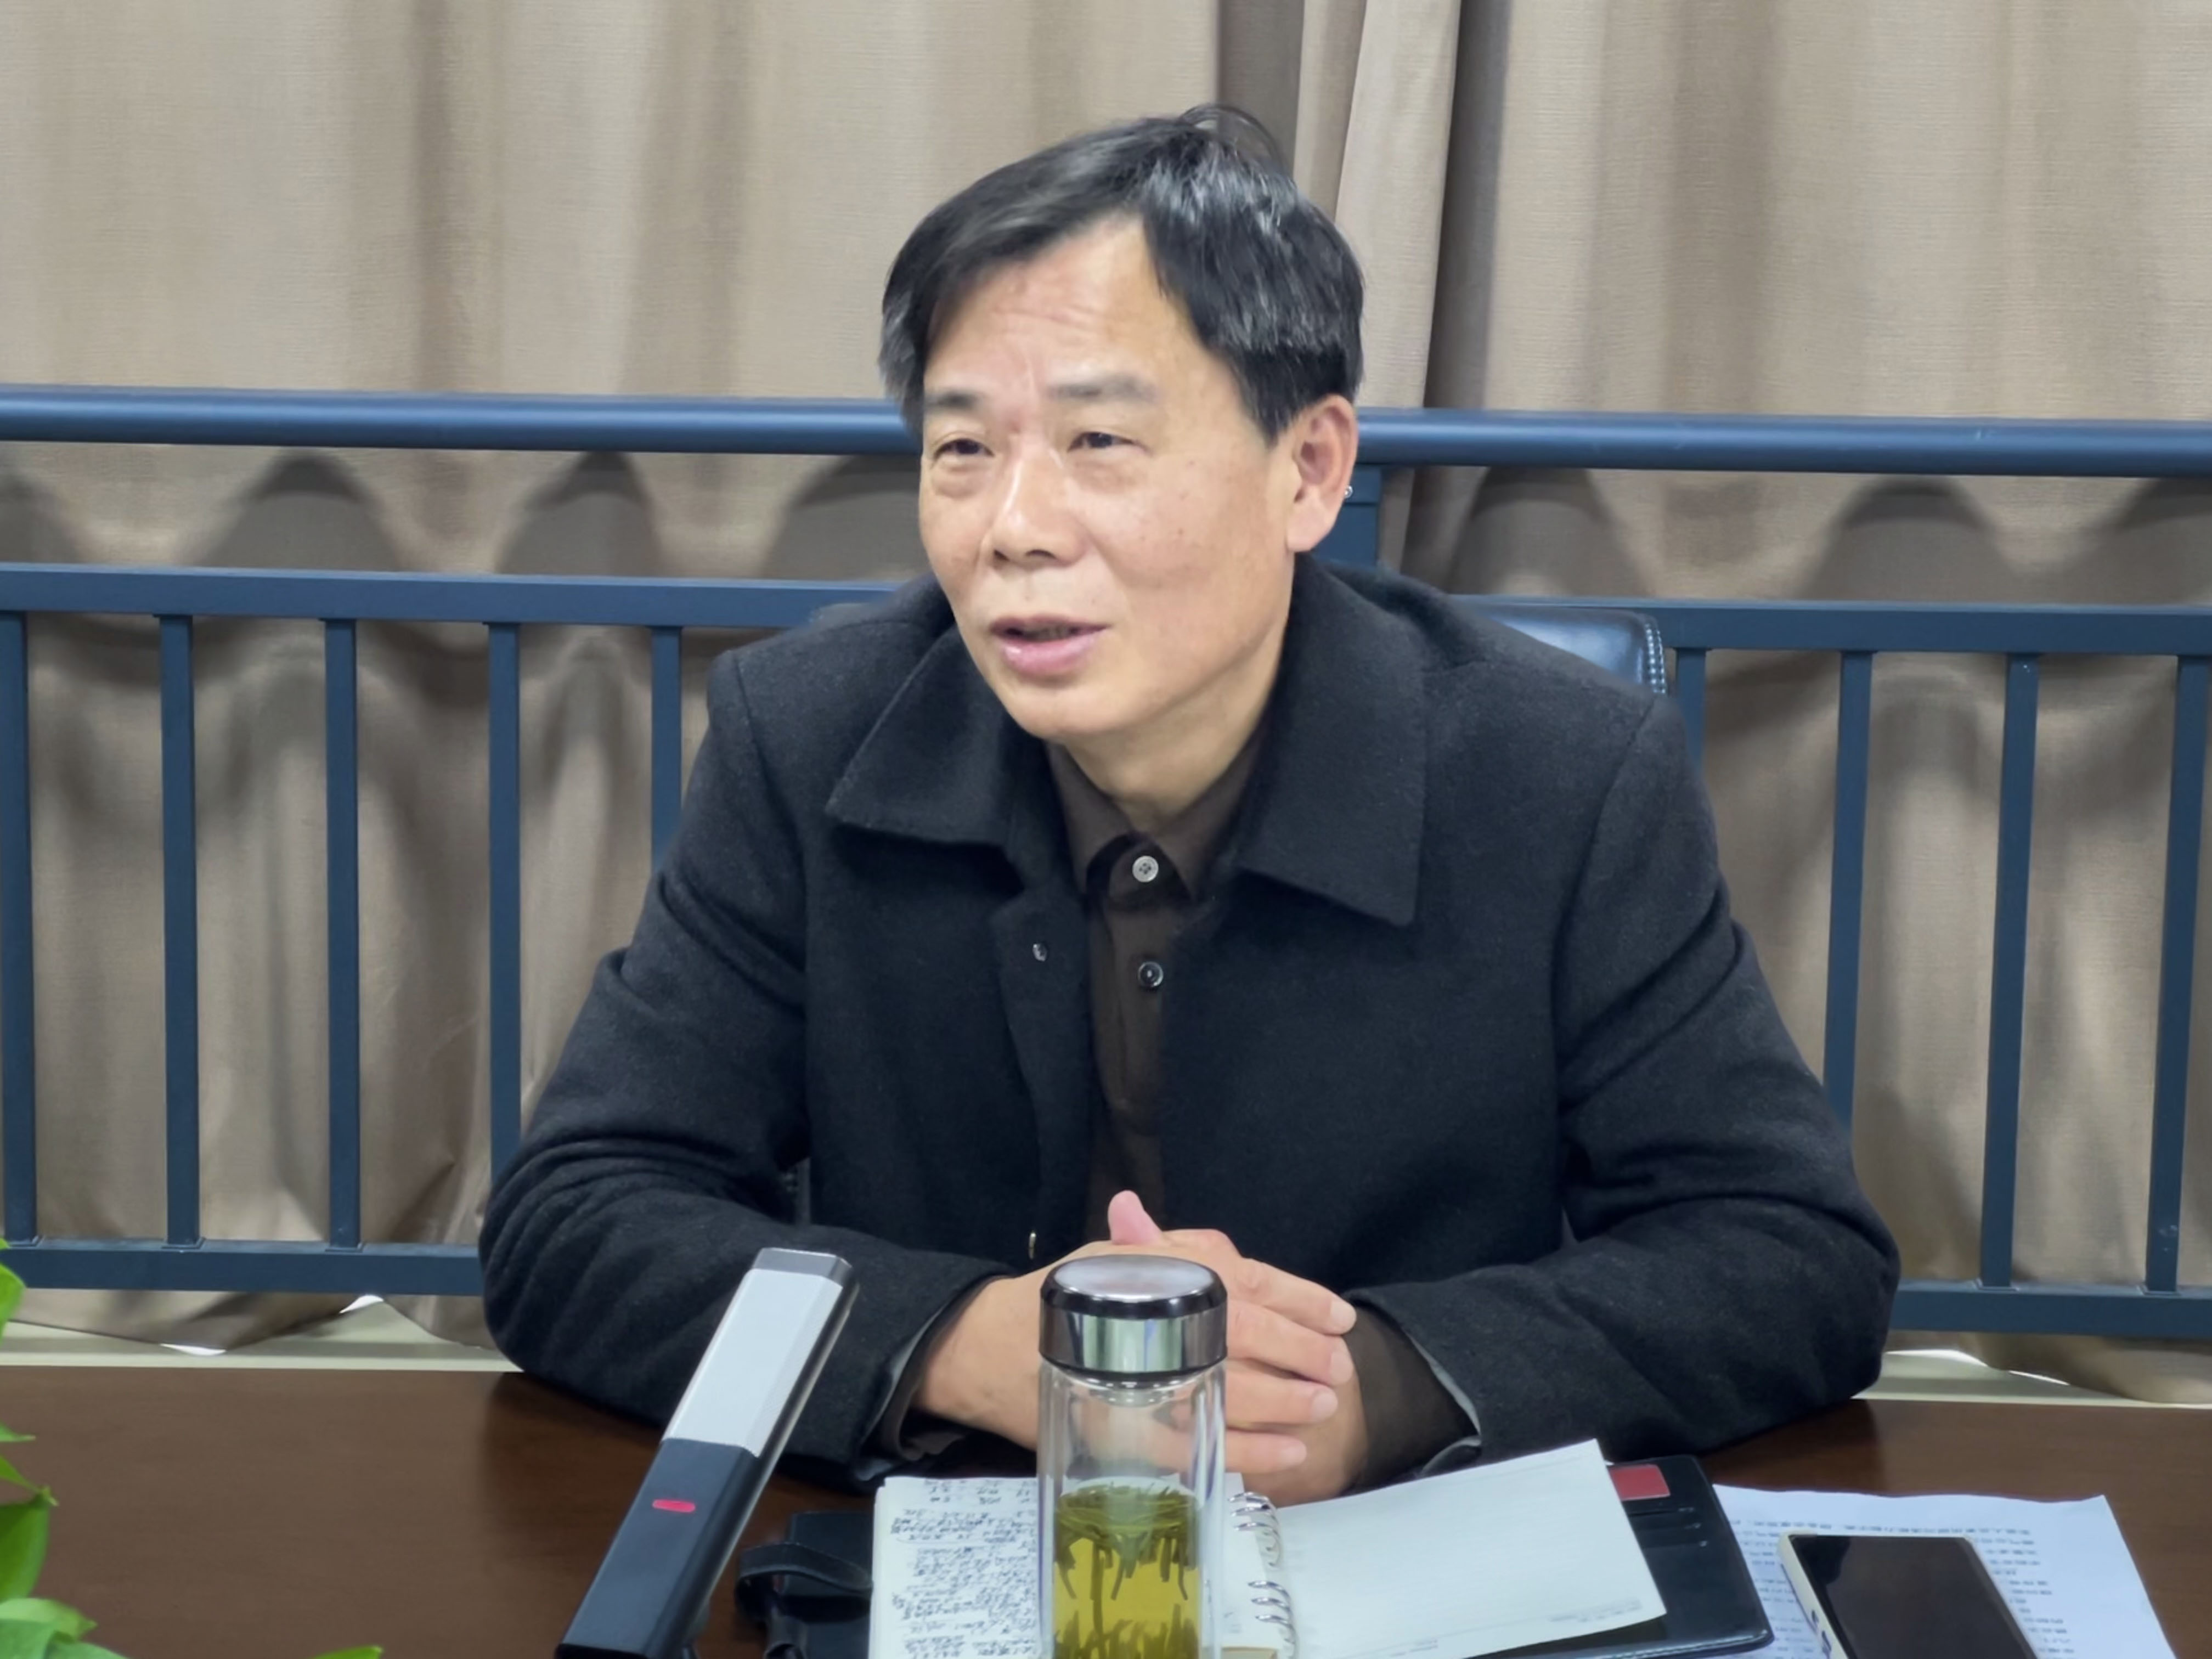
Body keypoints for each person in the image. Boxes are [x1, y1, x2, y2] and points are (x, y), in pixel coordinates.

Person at [480, 106, 1898, 1504]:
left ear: (1310, 471)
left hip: (1391, 1547)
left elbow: (1788, 1256)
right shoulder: (809, 739)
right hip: (951, 1536)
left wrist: (1380, 1390)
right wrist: (966, 1344)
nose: (1015, 529)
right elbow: (572, 1220)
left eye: (1100, 440)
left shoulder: (1561, 776)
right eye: (963, 449)